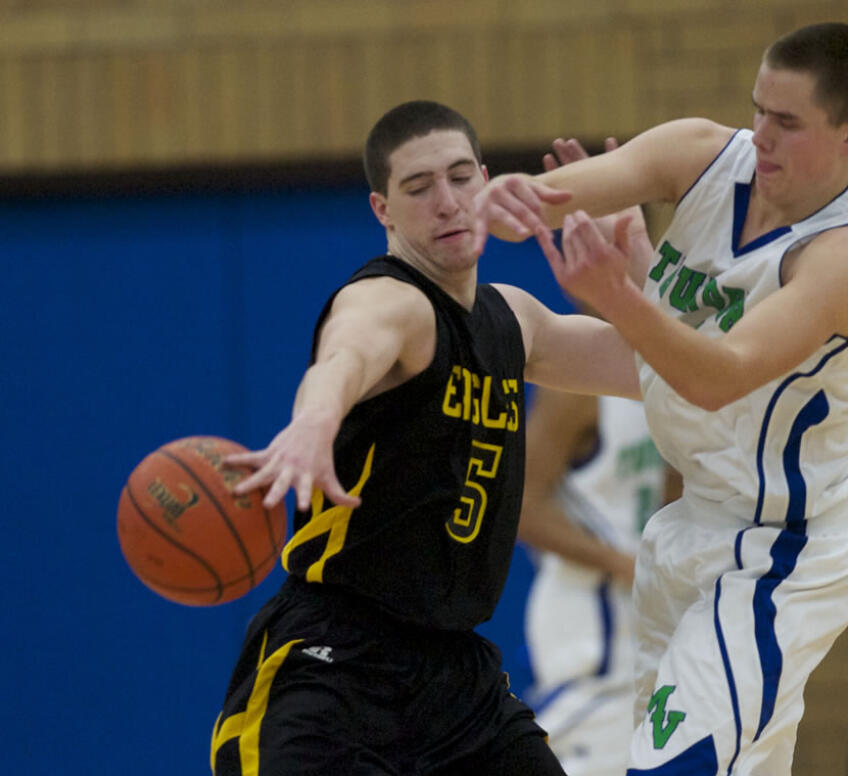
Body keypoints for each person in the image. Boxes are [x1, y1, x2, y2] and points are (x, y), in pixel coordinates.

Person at [475, 22, 848, 774]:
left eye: (787, 123)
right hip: (690, 529)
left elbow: (719, 374)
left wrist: (621, 294)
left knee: (670, 768)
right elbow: (544, 202)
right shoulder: (703, 153)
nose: (761, 136)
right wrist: (490, 199)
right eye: (757, 110)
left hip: (789, 548)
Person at [208, 100, 646, 776]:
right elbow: (345, 356)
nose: (448, 203)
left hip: (456, 681)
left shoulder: (514, 320)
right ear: (383, 209)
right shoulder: (394, 302)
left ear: (487, 180)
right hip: (335, 663)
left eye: (461, 177)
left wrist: (638, 279)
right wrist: (314, 423)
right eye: (419, 188)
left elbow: (666, 370)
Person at [516, 138, 679, 776]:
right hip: (592, 649)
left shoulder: (671, 361)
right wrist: (619, 561)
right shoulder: (573, 388)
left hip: (651, 651)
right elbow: (521, 507)